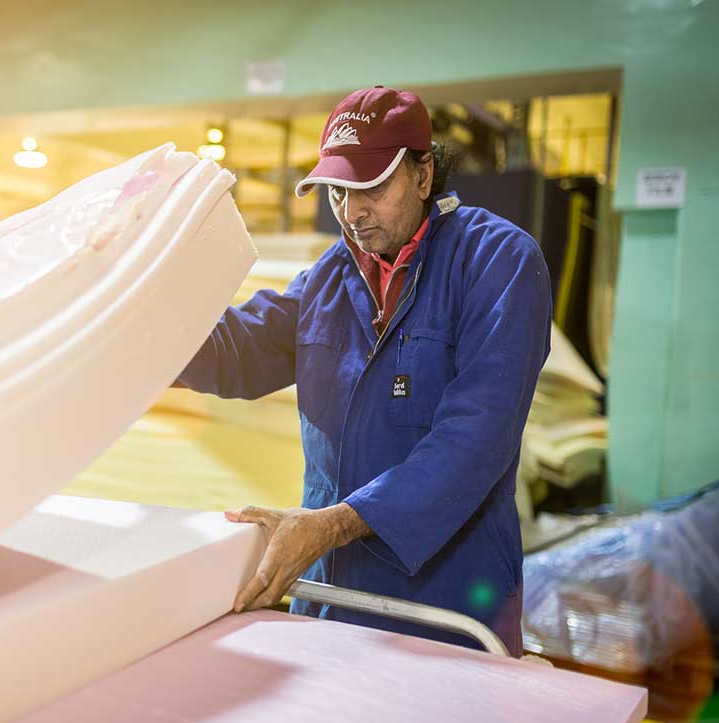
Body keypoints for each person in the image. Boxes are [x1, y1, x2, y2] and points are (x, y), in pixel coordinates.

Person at [176, 86, 552, 656]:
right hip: (329, 598)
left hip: (444, 606)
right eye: (337, 190)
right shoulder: (332, 276)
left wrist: (333, 525)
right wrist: (144, 325)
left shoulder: (496, 263)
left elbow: (474, 440)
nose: (351, 212)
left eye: (371, 186)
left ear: (424, 176)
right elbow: (240, 350)